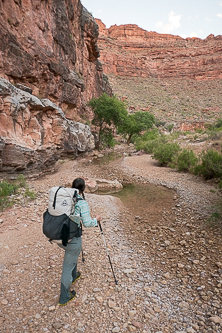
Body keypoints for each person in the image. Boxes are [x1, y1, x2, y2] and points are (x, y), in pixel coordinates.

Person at [58, 177, 101, 306]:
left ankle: (74, 274)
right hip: (71, 238)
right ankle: (64, 297)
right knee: (68, 263)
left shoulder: (64, 198)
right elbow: (87, 223)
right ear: (83, 189)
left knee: (72, 255)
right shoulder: (81, 202)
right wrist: (96, 220)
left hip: (58, 235)